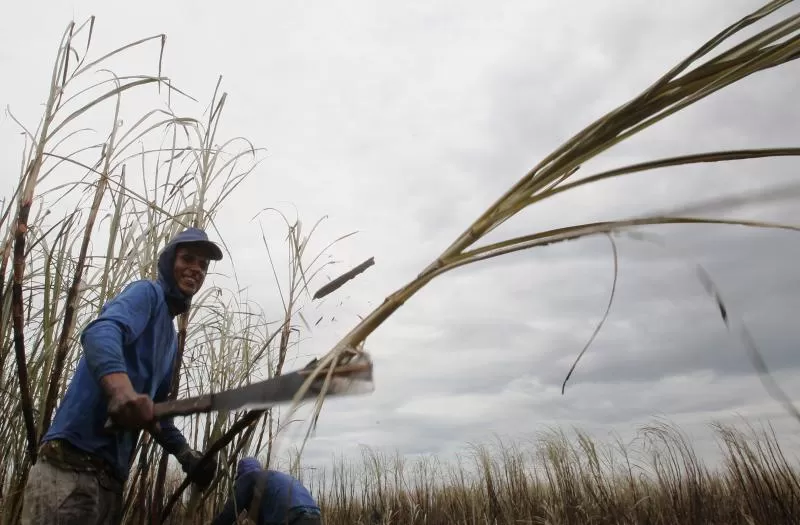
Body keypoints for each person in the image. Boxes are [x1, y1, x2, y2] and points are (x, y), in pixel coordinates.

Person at [22, 227, 223, 525]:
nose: (195, 269)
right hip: (70, 467)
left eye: (203, 265)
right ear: (169, 262)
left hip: (110, 481)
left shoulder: (169, 339)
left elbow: (155, 412)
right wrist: (120, 390)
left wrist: (186, 455)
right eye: (188, 258)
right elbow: (100, 332)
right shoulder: (147, 293)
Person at [211, 457, 323, 525]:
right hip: (314, 515)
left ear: (240, 474)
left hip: (290, 516)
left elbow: (229, 512)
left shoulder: (247, 477)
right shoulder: (272, 479)